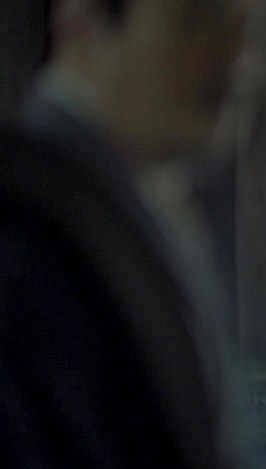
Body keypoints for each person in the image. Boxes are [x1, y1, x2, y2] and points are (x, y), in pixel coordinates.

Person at [0, 0, 249, 467]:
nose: (235, 55)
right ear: (82, 20)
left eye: (249, 32)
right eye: (198, 21)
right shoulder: (23, 232)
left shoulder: (156, 205)